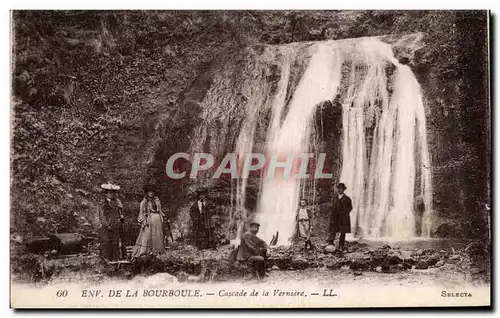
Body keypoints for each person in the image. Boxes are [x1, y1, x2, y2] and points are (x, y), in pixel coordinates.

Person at [131, 185, 166, 258]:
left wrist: (164, 216)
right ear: (147, 193)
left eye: (152, 192)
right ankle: (144, 252)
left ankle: (157, 252)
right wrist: (143, 221)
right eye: (149, 192)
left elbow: (160, 210)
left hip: (157, 220)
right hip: (149, 220)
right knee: (147, 235)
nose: (151, 193)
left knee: (157, 235)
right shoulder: (144, 202)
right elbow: (141, 212)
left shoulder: (157, 200)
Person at [99, 182, 127, 261]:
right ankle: (108, 260)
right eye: (109, 192)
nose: (111, 194)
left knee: (118, 242)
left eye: (112, 192)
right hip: (108, 226)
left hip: (117, 224)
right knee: (107, 243)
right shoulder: (103, 203)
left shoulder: (117, 201)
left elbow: (121, 212)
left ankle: (118, 259)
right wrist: (107, 225)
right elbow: (101, 216)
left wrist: (122, 217)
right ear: (106, 193)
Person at [328, 183, 353, 252]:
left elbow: (350, 207)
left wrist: (345, 214)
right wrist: (332, 216)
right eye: (339, 189)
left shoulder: (347, 198)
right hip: (335, 216)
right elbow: (333, 208)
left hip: (343, 217)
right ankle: (330, 243)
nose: (340, 190)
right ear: (338, 190)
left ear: (343, 190)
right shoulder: (335, 198)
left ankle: (341, 245)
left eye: (341, 189)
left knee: (342, 231)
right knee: (333, 230)